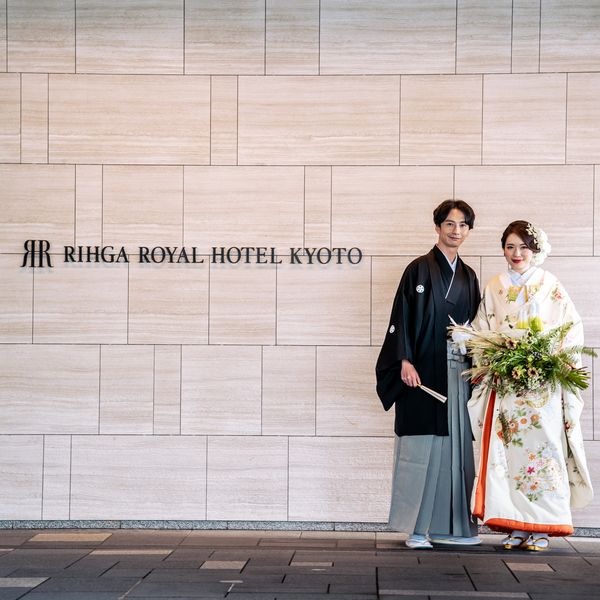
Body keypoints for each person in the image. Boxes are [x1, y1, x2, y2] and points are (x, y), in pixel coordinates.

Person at [467, 221, 593, 551]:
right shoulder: (495, 286)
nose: (517, 253)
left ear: (535, 250)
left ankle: (542, 527)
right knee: (508, 455)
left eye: (523, 247)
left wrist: (555, 360)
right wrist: (493, 358)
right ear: (503, 250)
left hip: (542, 385)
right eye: (510, 246)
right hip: (508, 385)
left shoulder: (550, 284)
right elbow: (482, 329)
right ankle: (516, 525)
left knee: (544, 452)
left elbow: (570, 327)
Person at [376, 199, 481, 549]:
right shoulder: (418, 270)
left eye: (463, 225)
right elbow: (400, 318)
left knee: (456, 452)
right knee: (422, 450)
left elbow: (477, 326)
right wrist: (403, 360)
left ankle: (455, 528)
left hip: (458, 372)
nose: (456, 231)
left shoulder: (468, 276)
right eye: (449, 224)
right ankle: (417, 530)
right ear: (437, 227)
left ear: (468, 230)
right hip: (422, 374)